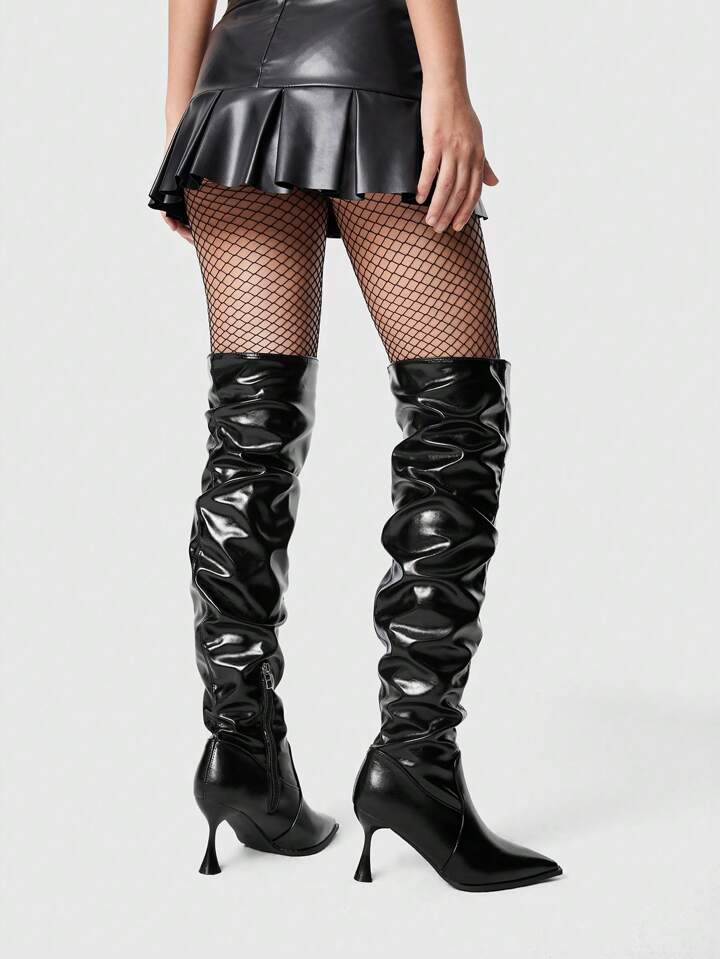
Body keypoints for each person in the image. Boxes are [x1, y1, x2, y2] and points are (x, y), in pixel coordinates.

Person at [149, 0, 561, 892]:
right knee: (453, 424)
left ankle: (242, 754)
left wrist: (184, 116)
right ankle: (416, 763)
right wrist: (447, 85)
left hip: (232, 94)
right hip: (372, 70)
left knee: (248, 436)